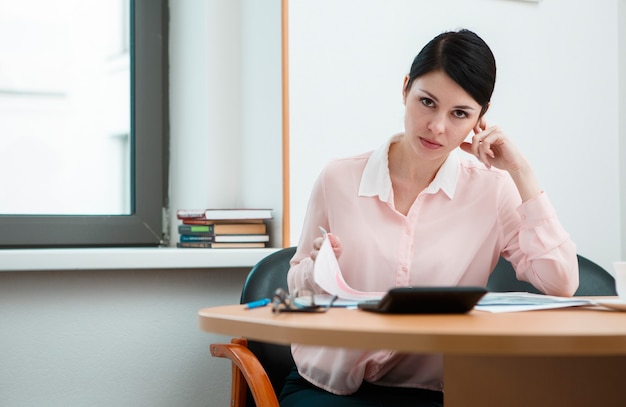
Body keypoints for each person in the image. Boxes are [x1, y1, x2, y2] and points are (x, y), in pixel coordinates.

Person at [279, 29, 579, 407]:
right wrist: (318, 268)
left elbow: (561, 282)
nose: (437, 127)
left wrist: (521, 173)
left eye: (459, 113)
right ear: (405, 89)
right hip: (328, 386)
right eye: (427, 102)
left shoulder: (492, 190)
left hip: (433, 393)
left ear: (480, 120)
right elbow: (296, 293)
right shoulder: (339, 178)